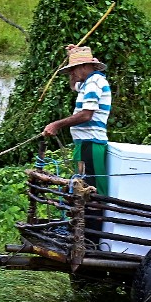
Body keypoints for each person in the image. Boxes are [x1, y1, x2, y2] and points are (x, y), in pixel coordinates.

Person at [42, 44, 111, 197]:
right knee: (82, 187)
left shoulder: (93, 84)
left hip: (90, 144)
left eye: (74, 68)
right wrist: (71, 55)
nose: (72, 72)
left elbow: (86, 115)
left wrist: (56, 125)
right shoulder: (89, 82)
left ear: (86, 66)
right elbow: (74, 86)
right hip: (84, 144)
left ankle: (96, 220)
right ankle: (86, 220)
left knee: (92, 190)